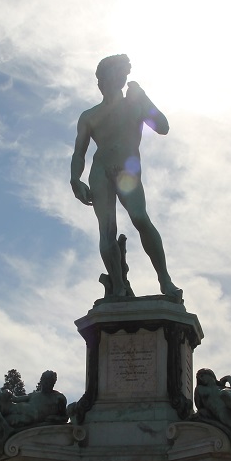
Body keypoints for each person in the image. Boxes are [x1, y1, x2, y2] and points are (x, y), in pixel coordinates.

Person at [70, 54, 180, 300]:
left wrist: (144, 97)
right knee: (107, 232)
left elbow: (162, 127)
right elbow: (79, 152)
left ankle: (165, 280)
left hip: (127, 169)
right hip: (100, 171)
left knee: (140, 217)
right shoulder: (89, 115)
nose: (118, 78)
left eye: (121, 73)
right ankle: (118, 287)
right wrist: (75, 179)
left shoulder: (134, 104)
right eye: (113, 73)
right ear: (102, 79)